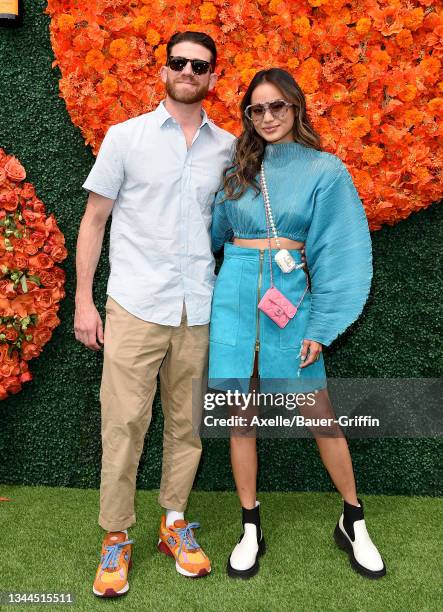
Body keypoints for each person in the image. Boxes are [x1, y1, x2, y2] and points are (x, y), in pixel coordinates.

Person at [209, 68, 386, 580]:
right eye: (257, 109)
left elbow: (339, 249)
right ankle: (250, 525)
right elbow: (216, 234)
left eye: (277, 107)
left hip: (288, 296)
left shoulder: (325, 171)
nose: (267, 117)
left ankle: (353, 518)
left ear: (296, 109)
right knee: (239, 412)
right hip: (235, 294)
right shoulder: (236, 172)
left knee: (318, 411)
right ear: (248, 115)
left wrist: (321, 325)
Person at [75, 31, 235, 597]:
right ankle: (116, 535)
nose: (189, 71)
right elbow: (94, 220)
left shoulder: (229, 147)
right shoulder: (126, 138)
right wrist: (83, 300)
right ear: (163, 70)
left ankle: (173, 523)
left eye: (201, 65)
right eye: (180, 62)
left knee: (188, 425)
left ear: (213, 77)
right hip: (136, 305)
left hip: (199, 308)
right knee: (122, 424)